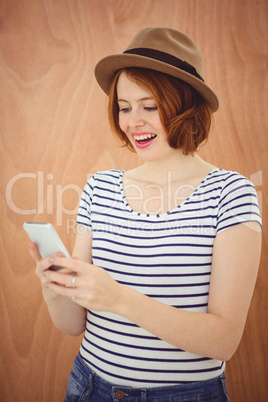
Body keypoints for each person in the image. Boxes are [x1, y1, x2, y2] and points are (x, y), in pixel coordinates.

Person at [29, 27, 262, 401]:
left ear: (186, 106)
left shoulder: (231, 193)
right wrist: (55, 287)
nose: (132, 121)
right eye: (124, 107)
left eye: (149, 106)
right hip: (90, 387)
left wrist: (118, 298)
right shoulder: (99, 188)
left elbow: (223, 341)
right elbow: (73, 324)